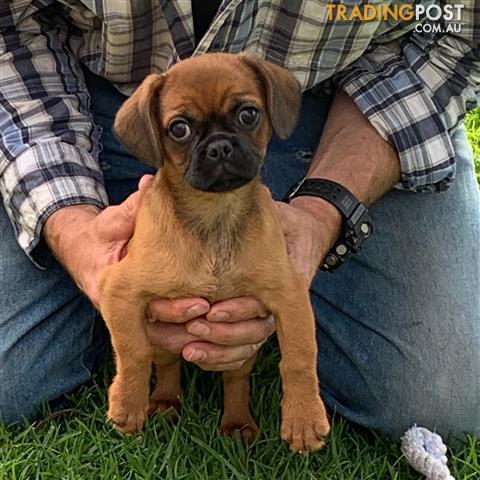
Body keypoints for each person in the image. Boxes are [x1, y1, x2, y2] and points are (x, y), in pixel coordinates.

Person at [0, 0, 478, 441]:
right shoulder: (149, 121)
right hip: (95, 96)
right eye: (186, 130)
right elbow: (10, 30)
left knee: (442, 400)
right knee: (10, 383)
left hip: (349, 97)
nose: (221, 146)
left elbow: (458, 33)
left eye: (242, 117)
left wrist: (324, 209)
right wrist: (79, 237)